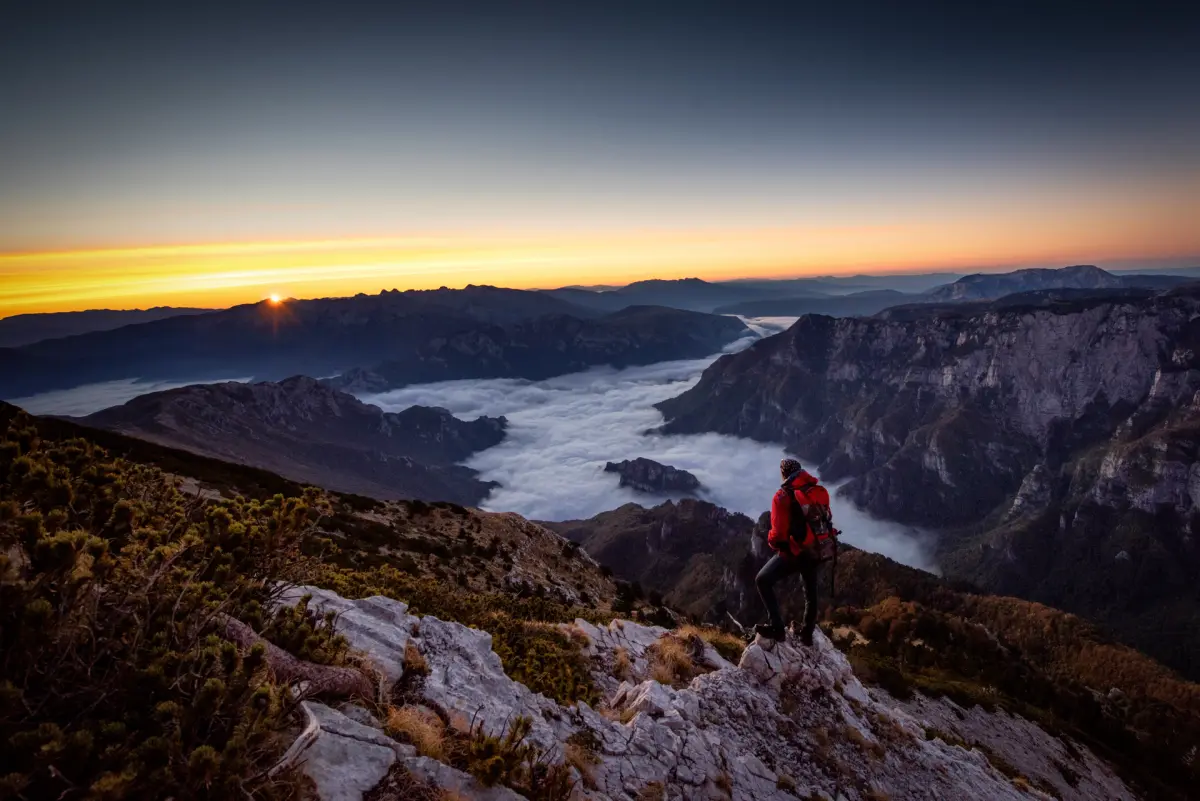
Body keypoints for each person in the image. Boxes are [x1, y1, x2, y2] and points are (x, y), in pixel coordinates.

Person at [754, 457, 830, 645]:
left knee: (762, 580)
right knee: (810, 592)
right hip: (817, 549)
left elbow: (778, 534)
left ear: (783, 473)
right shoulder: (818, 490)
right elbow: (826, 518)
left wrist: (772, 543)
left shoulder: (782, 496)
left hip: (795, 551)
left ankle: (777, 628)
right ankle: (807, 634)